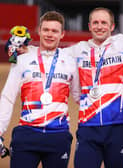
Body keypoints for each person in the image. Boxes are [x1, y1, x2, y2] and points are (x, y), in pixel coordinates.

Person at [0, 11, 80, 168]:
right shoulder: (22, 59)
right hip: (26, 134)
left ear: (62, 34)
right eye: (46, 30)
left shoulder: (70, 62)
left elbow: (79, 97)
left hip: (59, 136)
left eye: (54, 31)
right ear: (39, 30)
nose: (50, 34)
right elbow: (7, 97)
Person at [66, 7, 123, 168]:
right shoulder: (77, 50)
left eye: (104, 22)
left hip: (119, 126)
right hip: (88, 126)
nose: (99, 26)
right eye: (95, 22)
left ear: (112, 26)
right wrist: (25, 50)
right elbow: (51, 53)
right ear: (89, 26)